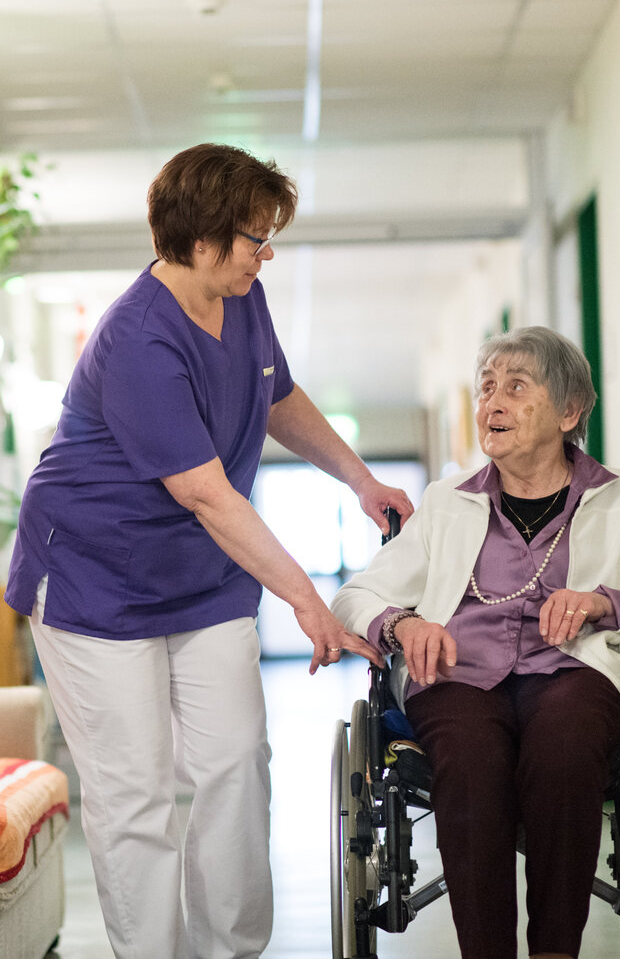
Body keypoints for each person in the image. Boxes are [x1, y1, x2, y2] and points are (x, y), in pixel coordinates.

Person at [4, 143, 413, 959]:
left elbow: (278, 396)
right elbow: (205, 493)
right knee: (136, 794)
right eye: (253, 239)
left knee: (236, 765)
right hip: (94, 582)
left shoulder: (241, 297)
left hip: (199, 575)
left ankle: (231, 951)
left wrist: (359, 481)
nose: (265, 254)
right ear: (198, 240)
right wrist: (305, 597)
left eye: (268, 237)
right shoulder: (137, 340)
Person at [331, 325, 620, 959]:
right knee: (466, 757)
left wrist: (615, 604)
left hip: (574, 676)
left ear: (569, 411)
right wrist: (404, 625)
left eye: (516, 387)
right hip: (458, 677)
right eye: (486, 387)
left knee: (567, 743)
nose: (492, 402)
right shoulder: (447, 505)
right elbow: (354, 596)